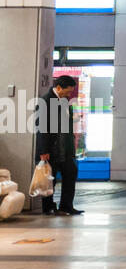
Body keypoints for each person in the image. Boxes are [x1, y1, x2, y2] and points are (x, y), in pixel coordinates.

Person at [35, 76, 81, 216]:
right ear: (59, 87)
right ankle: (48, 206)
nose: (69, 95)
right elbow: (42, 127)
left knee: (71, 173)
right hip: (52, 148)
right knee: (50, 179)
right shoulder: (46, 101)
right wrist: (44, 150)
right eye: (67, 92)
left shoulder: (65, 102)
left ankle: (66, 206)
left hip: (65, 149)